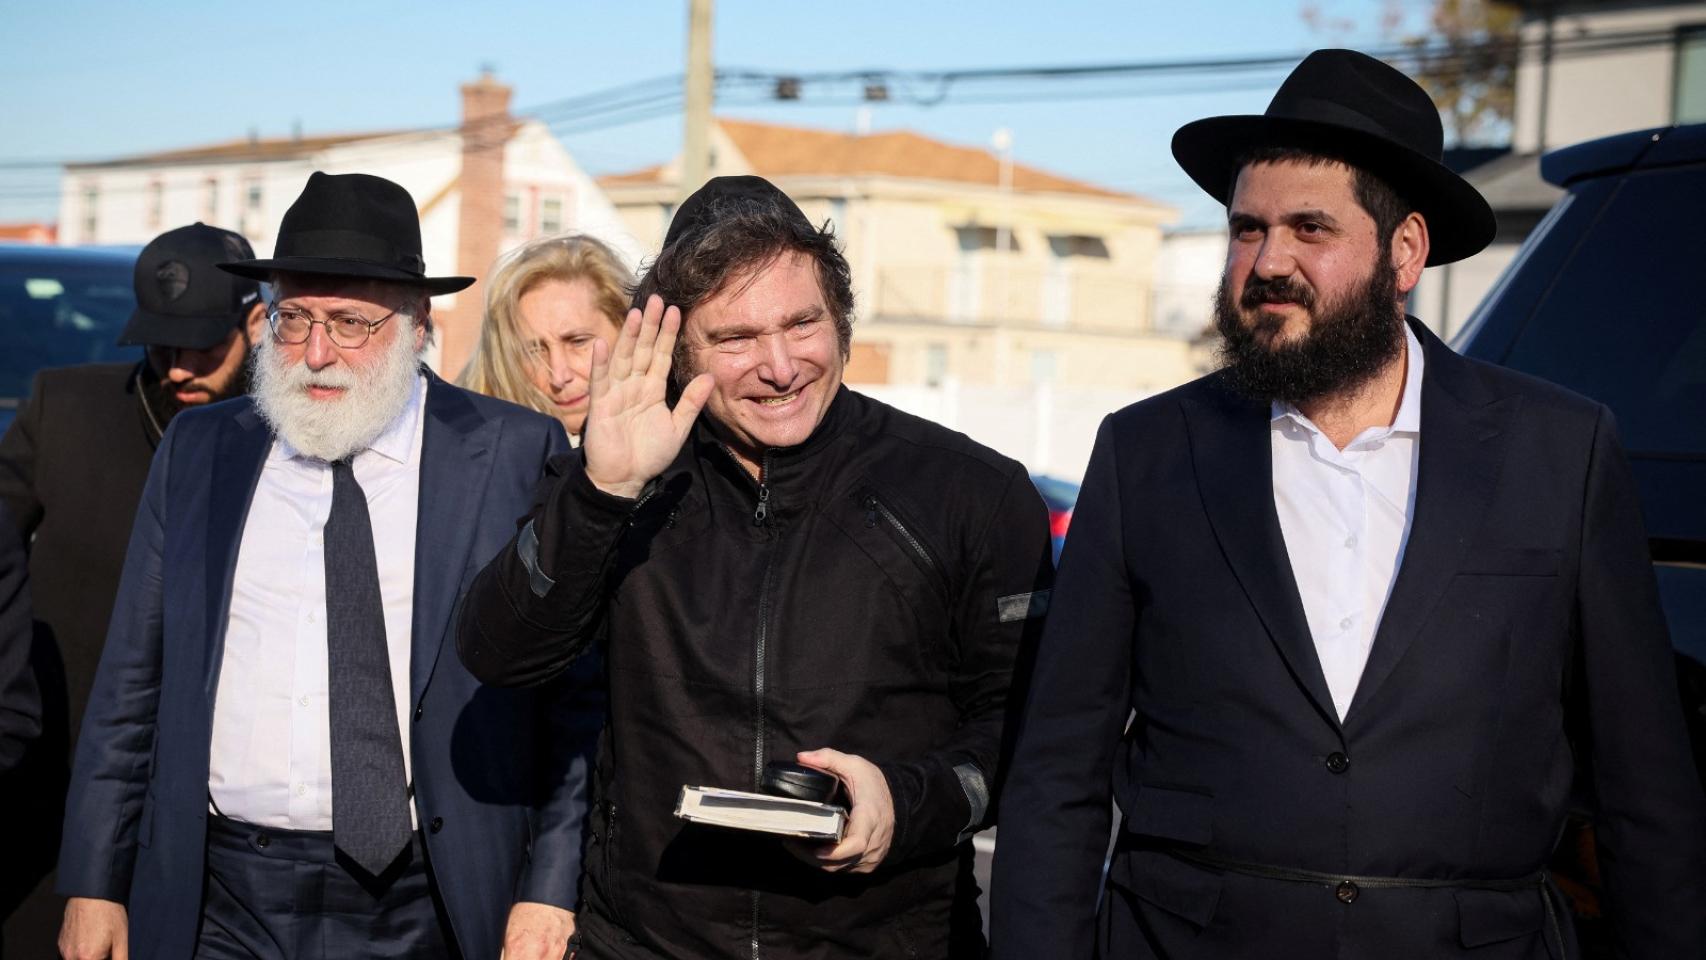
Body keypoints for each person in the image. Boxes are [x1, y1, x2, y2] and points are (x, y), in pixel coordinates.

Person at [988, 48, 1706, 960]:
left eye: (1309, 229)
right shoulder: (1148, 452)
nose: (1267, 262)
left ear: (1404, 250)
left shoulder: (1559, 451)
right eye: (1247, 229)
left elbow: (1647, 792)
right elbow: (1058, 771)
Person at [457, 175, 1055, 960]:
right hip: (644, 942)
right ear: (678, 351)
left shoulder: (971, 492)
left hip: (888, 942)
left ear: (840, 317)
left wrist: (904, 807)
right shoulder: (621, 480)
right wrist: (602, 494)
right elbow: (502, 655)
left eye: (803, 323)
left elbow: (1032, 735)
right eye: (736, 339)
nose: (780, 366)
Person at [56, 172, 599, 960]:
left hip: (427, 894)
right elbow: (131, 682)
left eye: (349, 322)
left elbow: (567, 697)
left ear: (418, 323)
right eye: (294, 318)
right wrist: (93, 880)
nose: (316, 352)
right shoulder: (203, 449)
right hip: (220, 889)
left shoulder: (510, 451)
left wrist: (549, 890)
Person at [0, 222, 265, 958]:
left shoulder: (287, 435)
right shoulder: (64, 409)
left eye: (202, 348)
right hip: (56, 801)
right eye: (158, 346)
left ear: (255, 322)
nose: (178, 369)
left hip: (214, 815)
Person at [459, 234, 631, 440]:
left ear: (627, 327)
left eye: (578, 342)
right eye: (534, 351)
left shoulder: (674, 452)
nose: (558, 377)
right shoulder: (473, 454)